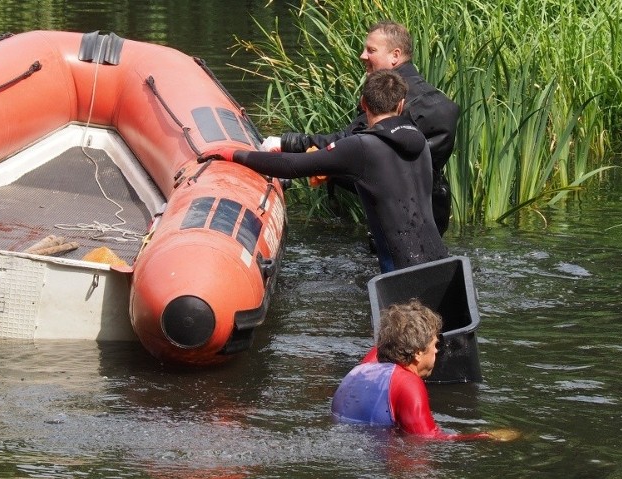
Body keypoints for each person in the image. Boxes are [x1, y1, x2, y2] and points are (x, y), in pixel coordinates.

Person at [200, 69, 448, 273]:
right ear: (402, 104)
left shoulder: (361, 147)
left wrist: (234, 153)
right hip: (441, 265)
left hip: (400, 272)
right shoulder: (419, 141)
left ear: (363, 104)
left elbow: (290, 165)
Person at [267, 20, 460, 236]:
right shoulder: (434, 97)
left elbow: (347, 142)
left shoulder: (390, 95)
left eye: (371, 50)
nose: (363, 56)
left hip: (400, 217)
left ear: (395, 56)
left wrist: (287, 143)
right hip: (433, 212)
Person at [331, 299, 497, 440]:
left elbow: (380, 347)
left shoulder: (362, 368)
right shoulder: (408, 384)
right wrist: (485, 436)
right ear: (418, 353)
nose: (437, 351)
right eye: (435, 345)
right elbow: (428, 438)